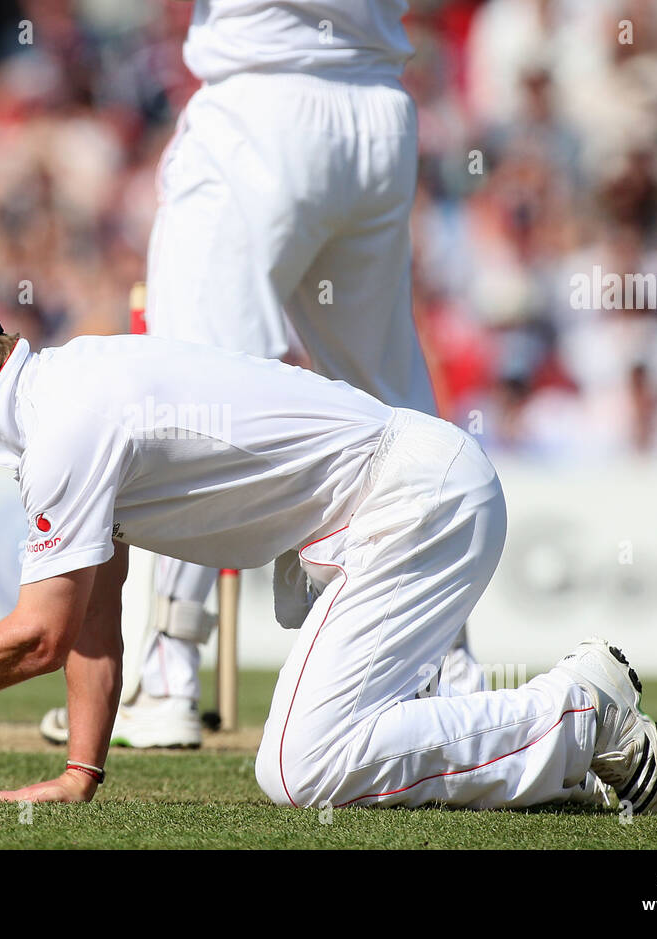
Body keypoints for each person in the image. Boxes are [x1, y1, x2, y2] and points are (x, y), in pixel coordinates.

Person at [0, 281, 657, 813]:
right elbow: (89, 621)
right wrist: (82, 772)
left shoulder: (67, 419)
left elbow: (38, 637)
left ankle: (574, 714)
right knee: (319, 754)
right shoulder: (60, 407)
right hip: (404, 498)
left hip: (415, 502)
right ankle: (558, 748)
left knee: (298, 767)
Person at [36, 0, 476, 749]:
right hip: (377, 108)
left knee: (183, 390)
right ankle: (444, 662)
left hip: (261, 105)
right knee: (388, 398)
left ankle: (164, 669)